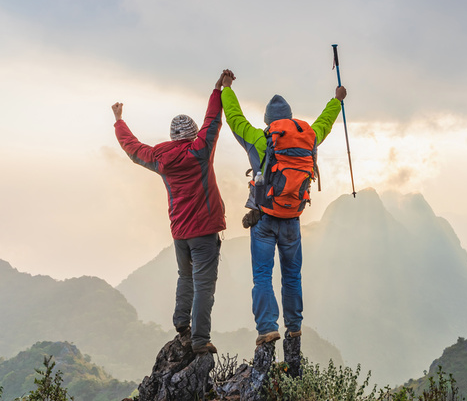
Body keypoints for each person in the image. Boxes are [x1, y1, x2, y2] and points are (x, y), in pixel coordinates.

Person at [220, 69, 346, 376]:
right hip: (292, 220)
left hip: (264, 220)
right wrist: (337, 100)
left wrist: (226, 89)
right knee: (292, 277)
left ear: (268, 122)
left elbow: (234, 118)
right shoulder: (308, 138)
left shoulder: (258, 139)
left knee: (262, 274)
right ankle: (294, 331)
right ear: (290, 120)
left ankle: (267, 329)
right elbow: (325, 121)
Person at [111, 71, 229, 355]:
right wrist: (218, 89)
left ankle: (180, 323)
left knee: (185, 277)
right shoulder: (201, 150)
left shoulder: (159, 158)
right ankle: (200, 339)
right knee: (204, 286)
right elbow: (212, 122)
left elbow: (133, 148)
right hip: (204, 233)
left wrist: (118, 121)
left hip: (180, 233)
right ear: (193, 134)